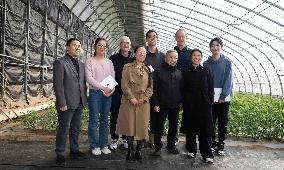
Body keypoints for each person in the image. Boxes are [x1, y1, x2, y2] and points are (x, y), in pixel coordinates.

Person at [53, 37, 87, 164]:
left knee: (75, 128)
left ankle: (74, 149)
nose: (78, 47)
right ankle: (60, 152)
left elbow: (83, 83)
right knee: (63, 128)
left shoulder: (82, 65)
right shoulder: (60, 63)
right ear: (67, 48)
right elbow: (58, 85)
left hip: (79, 102)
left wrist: (84, 99)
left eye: (79, 45)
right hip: (67, 103)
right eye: (74, 45)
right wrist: (62, 103)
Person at [116, 45, 153, 162]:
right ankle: (130, 150)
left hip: (143, 102)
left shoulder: (149, 69)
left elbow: (151, 87)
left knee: (142, 127)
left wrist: (145, 98)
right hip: (129, 101)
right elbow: (124, 84)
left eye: (144, 53)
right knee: (129, 126)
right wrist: (131, 97)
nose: (142, 54)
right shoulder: (127, 67)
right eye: (140, 52)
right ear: (135, 53)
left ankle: (139, 151)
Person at [180, 48, 214, 164]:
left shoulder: (206, 70)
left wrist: (210, 102)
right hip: (190, 104)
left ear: (201, 57)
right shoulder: (186, 72)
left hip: (204, 104)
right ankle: (192, 150)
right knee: (191, 128)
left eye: (198, 55)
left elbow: (211, 87)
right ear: (191, 57)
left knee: (204, 130)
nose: (196, 57)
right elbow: (183, 89)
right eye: (194, 55)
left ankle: (207, 154)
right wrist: (184, 102)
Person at [203, 37, 233, 156]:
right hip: (210, 97)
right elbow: (205, 81)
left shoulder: (227, 62)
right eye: (213, 45)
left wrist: (223, 95)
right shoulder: (206, 63)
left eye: (217, 45)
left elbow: (228, 80)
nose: (215, 47)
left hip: (223, 98)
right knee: (211, 121)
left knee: (222, 121)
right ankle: (212, 142)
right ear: (210, 48)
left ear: (221, 47)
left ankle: (221, 144)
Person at [85, 37, 115, 155]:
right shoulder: (90, 61)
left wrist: (111, 89)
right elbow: (89, 78)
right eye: (100, 45)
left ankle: (103, 144)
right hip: (95, 93)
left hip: (108, 94)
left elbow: (112, 76)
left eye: (104, 46)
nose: (102, 48)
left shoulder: (109, 62)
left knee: (104, 120)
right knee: (94, 120)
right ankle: (94, 145)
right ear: (95, 47)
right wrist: (103, 88)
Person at [151, 50, 182, 156]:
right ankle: (157, 147)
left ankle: (171, 146)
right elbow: (153, 89)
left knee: (173, 126)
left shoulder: (179, 73)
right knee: (159, 126)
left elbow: (181, 90)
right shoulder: (158, 72)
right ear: (165, 58)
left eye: (175, 58)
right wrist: (155, 104)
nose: (173, 60)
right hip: (161, 105)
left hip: (175, 105)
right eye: (171, 57)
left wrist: (181, 103)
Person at [109, 36, 133, 150]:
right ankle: (114, 138)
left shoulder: (134, 59)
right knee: (115, 115)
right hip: (116, 92)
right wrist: (109, 90)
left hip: (129, 93)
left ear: (130, 45)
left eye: (127, 43)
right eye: (123, 43)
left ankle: (125, 138)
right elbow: (108, 75)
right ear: (120, 45)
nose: (125, 45)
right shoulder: (113, 58)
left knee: (127, 116)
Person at [144, 29, 165, 148]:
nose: (152, 38)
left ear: (157, 39)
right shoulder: (142, 54)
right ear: (147, 39)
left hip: (157, 92)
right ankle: (142, 139)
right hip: (144, 90)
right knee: (143, 115)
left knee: (155, 116)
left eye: (155, 36)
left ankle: (152, 140)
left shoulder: (162, 56)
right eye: (150, 36)